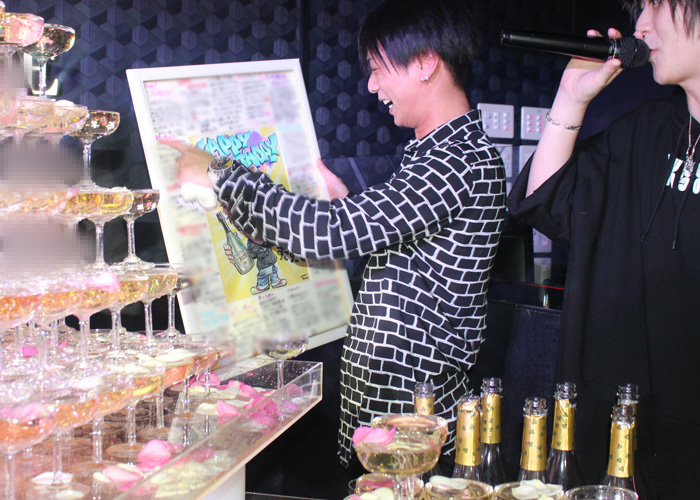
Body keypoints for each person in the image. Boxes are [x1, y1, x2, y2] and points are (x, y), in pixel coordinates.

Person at [161, 0, 506, 470]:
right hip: (390, 413)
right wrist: (346, 205)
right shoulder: (437, 155)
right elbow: (411, 264)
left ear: (425, 62)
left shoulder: (457, 160)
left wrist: (219, 173)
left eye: (378, 68)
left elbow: (327, 232)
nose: (373, 86)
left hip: (417, 425)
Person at [507, 0, 700, 497]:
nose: (641, 26)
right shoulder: (648, 130)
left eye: (657, 6)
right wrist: (570, 98)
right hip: (622, 437)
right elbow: (546, 199)